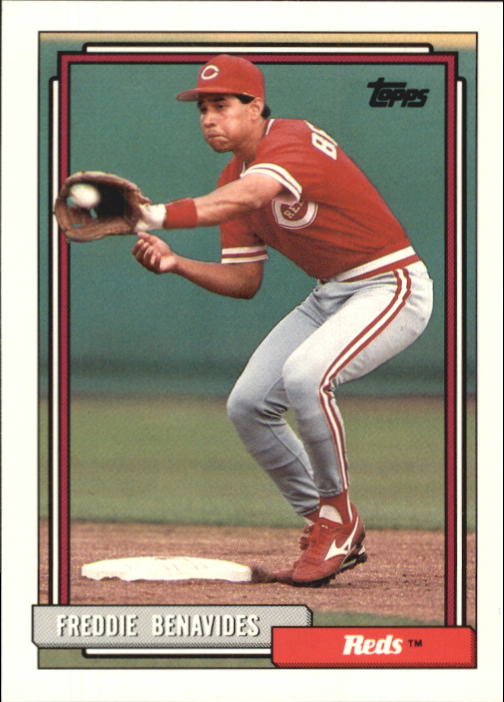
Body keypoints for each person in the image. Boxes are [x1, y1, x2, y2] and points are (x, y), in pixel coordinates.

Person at [132, 54, 433, 587]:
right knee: (248, 405)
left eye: (221, 105)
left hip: (391, 285)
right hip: (331, 294)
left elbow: (252, 194)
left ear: (255, 107)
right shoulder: (231, 179)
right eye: (202, 109)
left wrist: (154, 215)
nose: (209, 118)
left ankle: (338, 520)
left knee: (305, 375)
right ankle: (327, 522)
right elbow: (244, 281)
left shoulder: (290, 140)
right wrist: (177, 264)